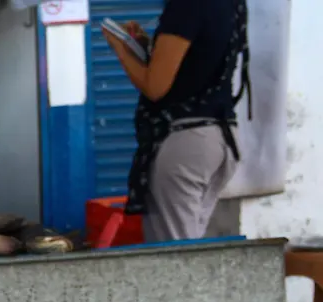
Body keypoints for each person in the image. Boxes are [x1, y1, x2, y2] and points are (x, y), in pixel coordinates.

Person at [105, 0, 248, 243]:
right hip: (220, 138)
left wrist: (119, 47)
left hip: (186, 143)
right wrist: (146, 47)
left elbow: (155, 87)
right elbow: (197, 63)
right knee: (190, 248)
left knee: (177, 260)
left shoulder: (186, 6)